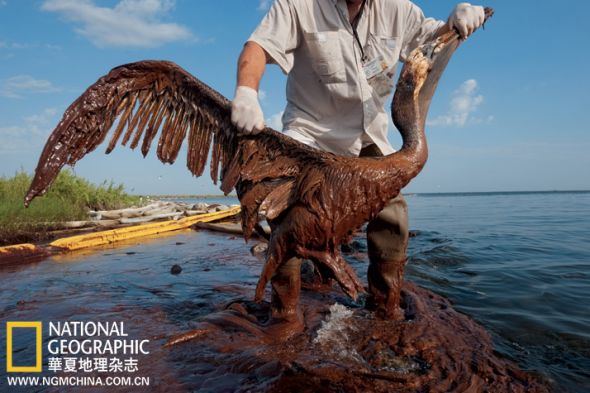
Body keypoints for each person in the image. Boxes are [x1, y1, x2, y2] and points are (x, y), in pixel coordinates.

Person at [231, 0, 485, 322]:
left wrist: (455, 22)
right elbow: (257, 48)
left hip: (368, 136)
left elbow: (433, 41)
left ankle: (385, 306)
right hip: (311, 136)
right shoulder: (298, 6)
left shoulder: (398, 10)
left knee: (392, 215)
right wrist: (246, 92)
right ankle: (284, 314)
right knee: (289, 221)